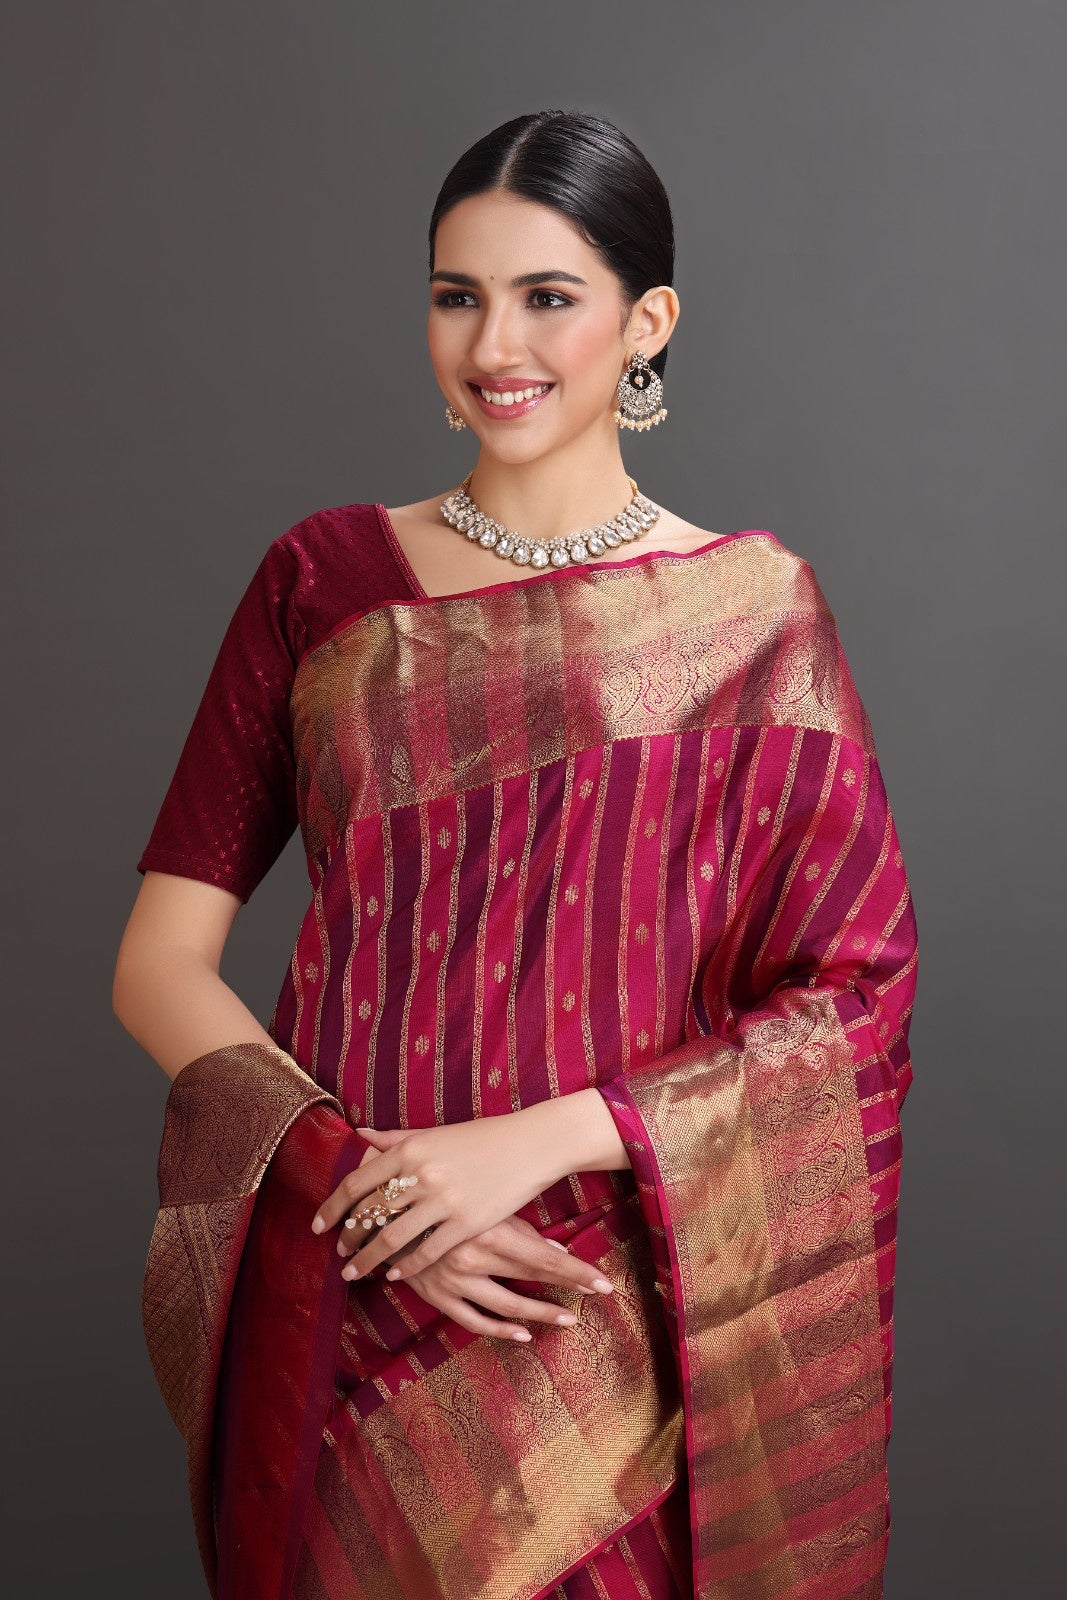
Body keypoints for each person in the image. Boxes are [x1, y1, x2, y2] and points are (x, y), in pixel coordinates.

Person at [114, 109, 919, 1600]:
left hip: (600, 1312)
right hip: (354, 1272)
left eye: (549, 295)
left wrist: (536, 1142)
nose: (496, 342)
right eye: (456, 294)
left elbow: (850, 1002)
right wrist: (354, 1183)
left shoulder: (753, 619)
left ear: (645, 321)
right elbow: (159, 963)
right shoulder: (322, 583)